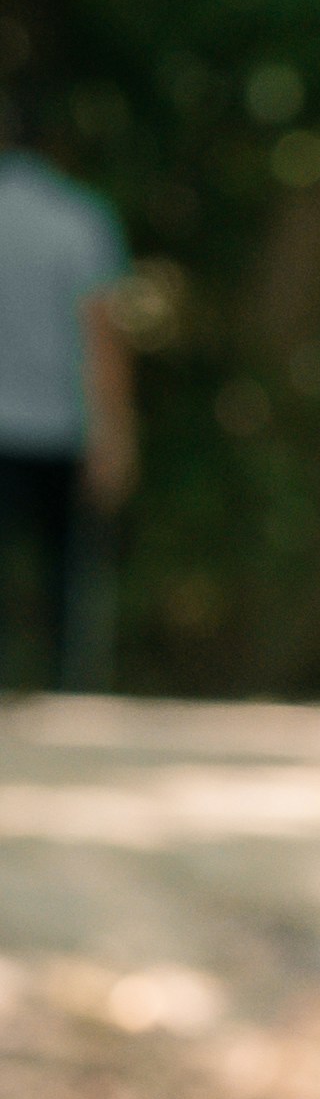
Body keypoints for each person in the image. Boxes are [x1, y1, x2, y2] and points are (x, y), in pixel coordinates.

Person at [0, 83, 134, 691]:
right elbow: (102, 341)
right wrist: (116, 436)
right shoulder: (80, 220)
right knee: (65, 578)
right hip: (59, 427)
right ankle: (64, 693)